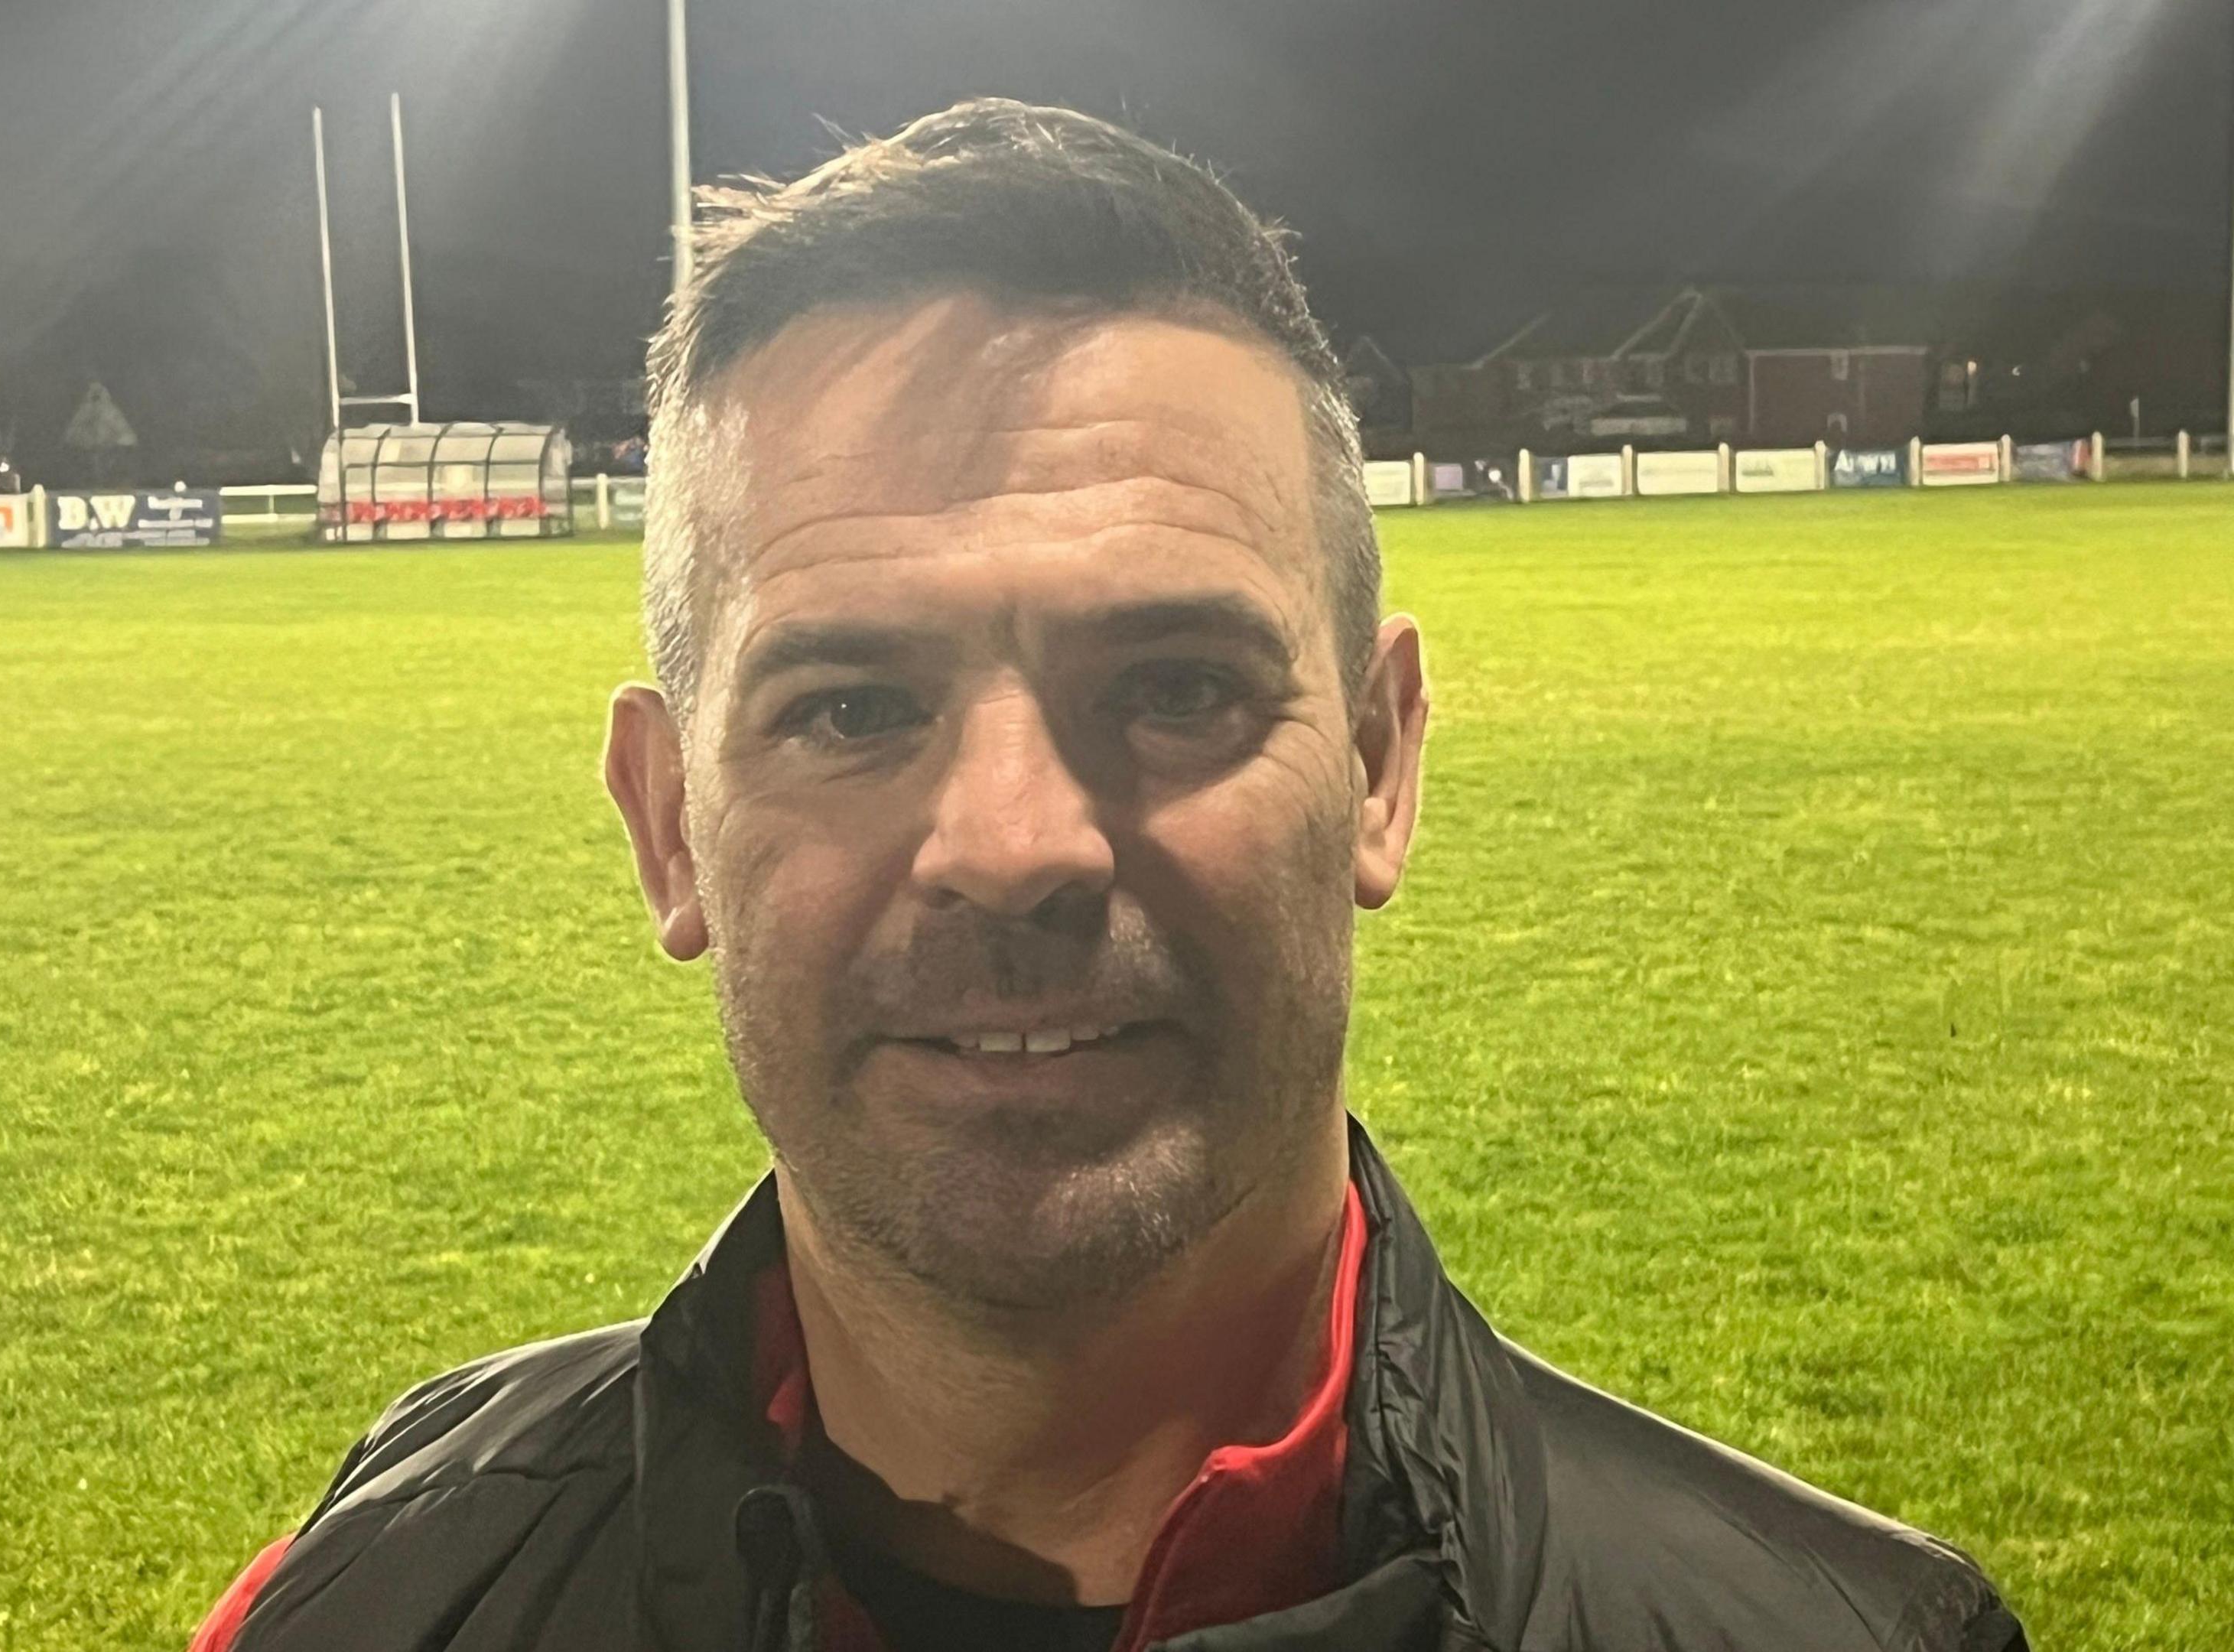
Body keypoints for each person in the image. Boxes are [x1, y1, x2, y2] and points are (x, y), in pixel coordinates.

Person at [190, 99, 2025, 1652]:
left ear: (1380, 765)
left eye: (1173, 689)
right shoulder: (363, 1603)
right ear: (669, 826)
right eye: (851, 708)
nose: (1013, 845)